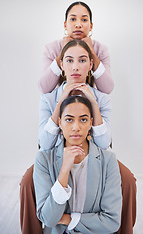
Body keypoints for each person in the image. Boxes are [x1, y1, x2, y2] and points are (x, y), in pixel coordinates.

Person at [20, 40, 136, 234]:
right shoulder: (49, 96)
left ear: (90, 65)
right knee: (26, 182)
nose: (75, 66)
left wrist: (93, 104)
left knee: (129, 180)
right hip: (54, 153)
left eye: (82, 60)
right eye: (69, 61)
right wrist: (60, 103)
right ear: (61, 65)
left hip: (92, 150)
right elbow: (45, 144)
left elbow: (104, 143)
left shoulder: (101, 96)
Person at [33, 95, 122, 234]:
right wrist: (64, 171)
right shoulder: (44, 160)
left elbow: (112, 222)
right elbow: (48, 219)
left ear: (91, 123)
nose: (76, 127)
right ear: (60, 123)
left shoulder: (108, 160)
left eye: (83, 120)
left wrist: (69, 219)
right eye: (69, 120)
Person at [39, 1, 114, 94]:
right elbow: (44, 88)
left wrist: (92, 52)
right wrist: (63, 51)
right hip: (60, 104)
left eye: (84, 20)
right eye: (73, 19)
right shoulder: (51, 49)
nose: (78, 25)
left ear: (91, 26)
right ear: (65, 25)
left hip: (90, 104)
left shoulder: (100, 50)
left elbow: (108, 88)